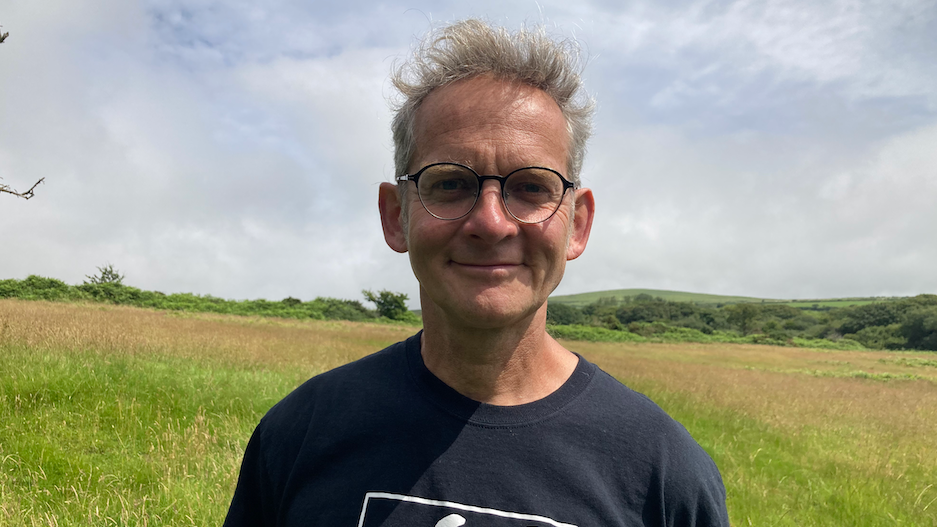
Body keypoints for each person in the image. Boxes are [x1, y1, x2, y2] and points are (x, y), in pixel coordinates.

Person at [224, 19, 729, 527]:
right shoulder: (301, 433)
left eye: (532, 187)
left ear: (577, 224)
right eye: (450, 184)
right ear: (396, 216)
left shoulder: (664, 477)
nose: (490, 222)